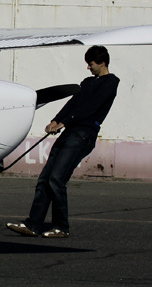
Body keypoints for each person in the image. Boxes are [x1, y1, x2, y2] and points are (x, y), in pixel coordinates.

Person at [7, 45, 119, 238]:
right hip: (70, 132)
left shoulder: (110, 83)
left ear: (102, 63)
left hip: (84, 135)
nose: (88, 68)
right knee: (45, 179)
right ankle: (33, 224)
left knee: (56, 179)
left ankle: (61, 227)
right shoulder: (87, 82)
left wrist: (64, 122)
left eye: (91, 64)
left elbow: (90, 108)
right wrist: (56, 120)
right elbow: (73, 103)